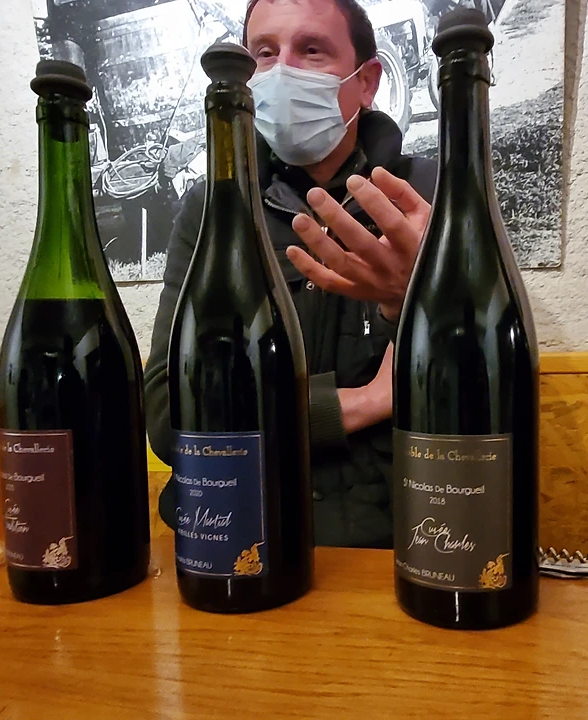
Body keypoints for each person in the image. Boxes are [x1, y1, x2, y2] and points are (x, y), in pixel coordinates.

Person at [146, 0, 435, 548]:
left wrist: (411, 301)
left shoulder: (428, 200)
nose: (282, 72)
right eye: (264, 53)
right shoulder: (208, 211)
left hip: (392, 547)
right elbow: (169, 417)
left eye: (312, 50)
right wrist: (364, 403)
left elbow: (475, 403)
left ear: (367, 81)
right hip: (230, 536)